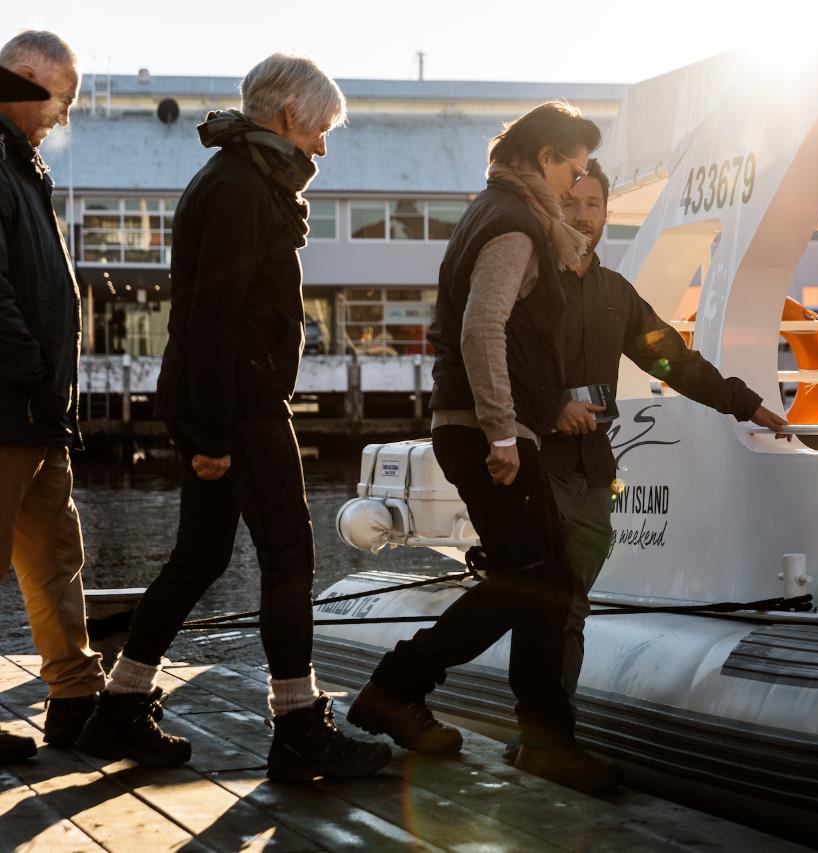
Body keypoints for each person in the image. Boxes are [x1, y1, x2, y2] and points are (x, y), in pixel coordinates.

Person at [75, 53, 391, 782]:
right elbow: (211, 320)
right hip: (240, 405)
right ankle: (298, 728)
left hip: (226, 401)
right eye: (320, 130)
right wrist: (213, 435)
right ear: (287, 118)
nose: (322, 146)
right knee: (290, 553)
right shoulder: (243, 189)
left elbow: (204, 319)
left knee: (201, 555)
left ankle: (119, 704)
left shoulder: (238, 180)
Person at [346, 101, 621, 794]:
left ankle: (534, 736)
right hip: (485, 427)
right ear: (544, 157)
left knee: (534, 580)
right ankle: (400, 689)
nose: (574, 185)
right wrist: (503, 428)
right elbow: (481, 328)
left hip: (482, 423)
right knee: (540, 581)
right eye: (572, 168)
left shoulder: (496, 208)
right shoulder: (514, 224)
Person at [502, 159, 787, 759]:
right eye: (572, 203)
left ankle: (553, 736)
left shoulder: (615, 294)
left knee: (572, 608)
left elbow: (671, 361)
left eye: (595, 206)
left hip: (593, 470)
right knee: (543, 605)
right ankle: (542, 736)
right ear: (553, 207)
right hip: (537, 467)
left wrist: (745, 404)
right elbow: (496, 360)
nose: (583, 216)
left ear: (607, 214)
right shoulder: (528, 284)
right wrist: (551, 406)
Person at [0, 31, 108, 764]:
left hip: (39, 413)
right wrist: (35, 368)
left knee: (55, 556)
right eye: (59, 99)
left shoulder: (22, 164)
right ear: (27, 79)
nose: (61, 116)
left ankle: (75, 699)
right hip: (10, 405)